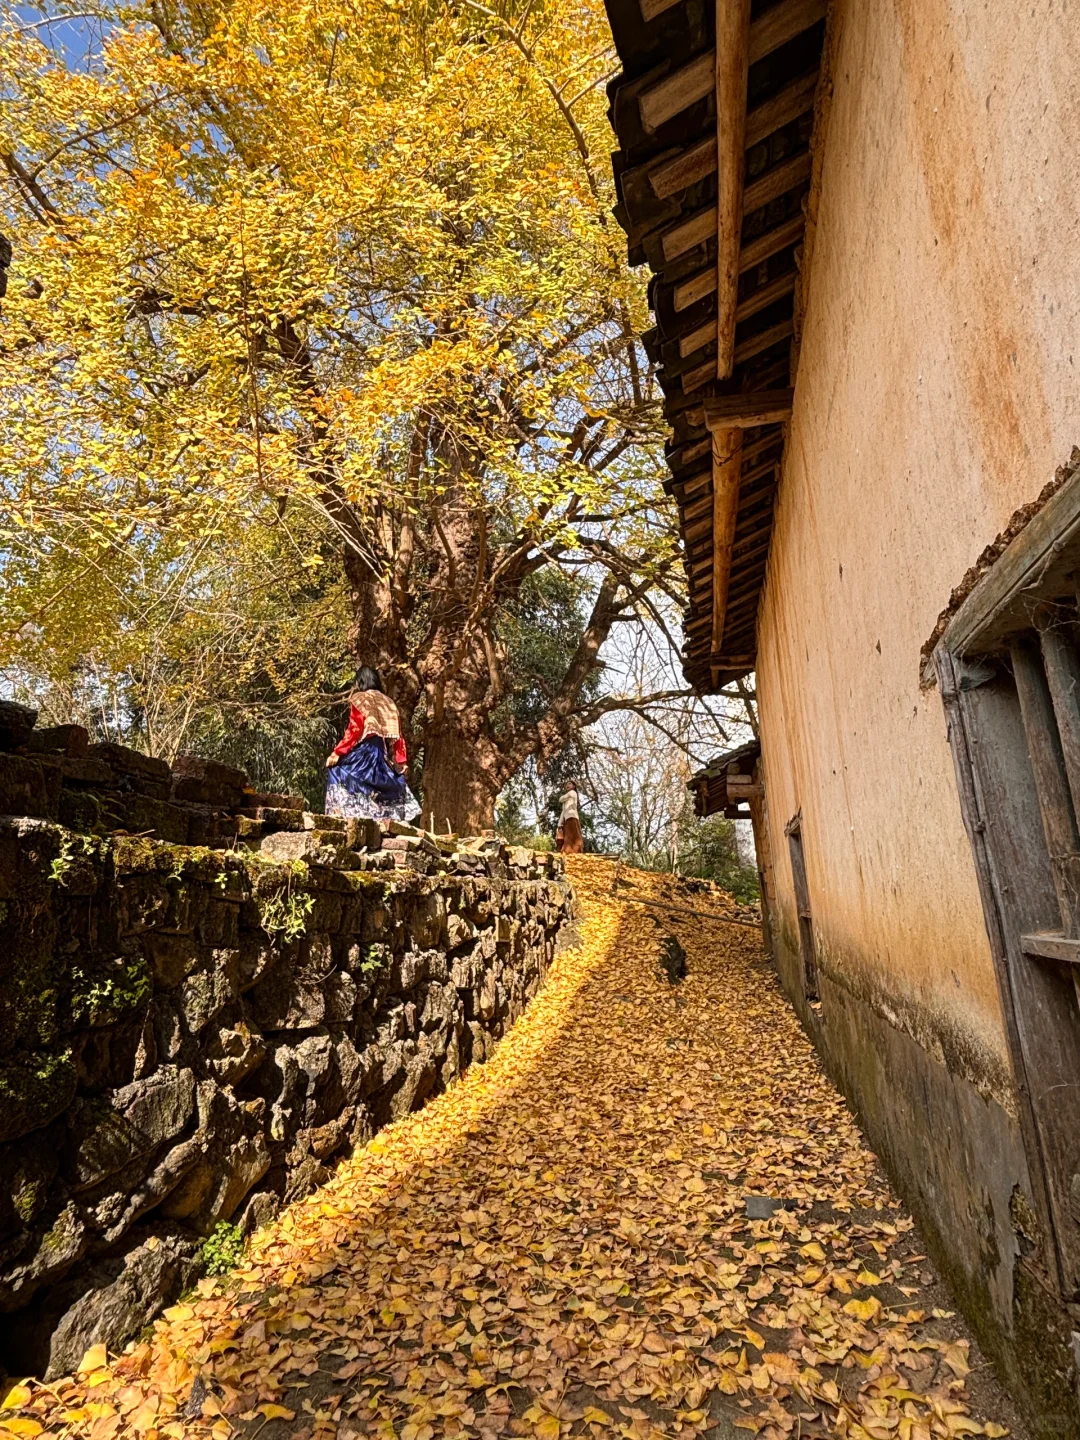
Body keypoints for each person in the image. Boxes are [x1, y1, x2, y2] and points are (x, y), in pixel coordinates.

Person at [325, 666, 422, 823]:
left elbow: (354, 730)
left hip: (365, 752)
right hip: (380, 754)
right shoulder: (389, 702)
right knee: (381, 786)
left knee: (337, 770)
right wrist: (401, 760)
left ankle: (345, 818)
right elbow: (398, 735)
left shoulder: (360, 698)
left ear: (361, 681)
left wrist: (337, 752)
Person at [556, 782, 584, 854]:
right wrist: (560, 823)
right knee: (568, 836)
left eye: (569, 784)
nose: (567, 785)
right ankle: (568, 852)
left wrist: (563, 798)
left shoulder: (572, 793)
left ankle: (575, 852)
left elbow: (560, 799)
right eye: (566, 784)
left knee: (573, 836)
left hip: (572, 817)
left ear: (574, 786)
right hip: (567, 818)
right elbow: (564, 811)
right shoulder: (567, 799)